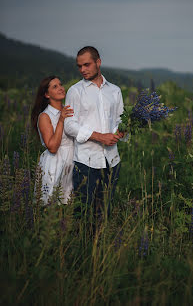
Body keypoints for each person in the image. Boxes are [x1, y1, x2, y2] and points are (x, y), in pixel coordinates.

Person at [64, 46, 124, 219]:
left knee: (104, 212)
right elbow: (69, 125)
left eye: (87, 65)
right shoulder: (75, 91)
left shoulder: (115, 91)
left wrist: (121, 131)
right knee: (82, 213)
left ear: (98, 62)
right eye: (79, 66)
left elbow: (120, 119)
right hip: (85, 162)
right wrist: (99, 136)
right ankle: (79, 245)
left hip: (112, 161)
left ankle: (100, 245)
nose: (82, 69)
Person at [31, 76, 74, 205]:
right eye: (55, 87)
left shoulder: (69, 110)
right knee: (52, 205)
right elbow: (53, 147)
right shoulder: (45, 116)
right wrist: (61, 120)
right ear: (46, 94)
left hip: (73, 161)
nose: (61, 88)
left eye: (60, 84)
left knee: (72, 206)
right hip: (56, 163)